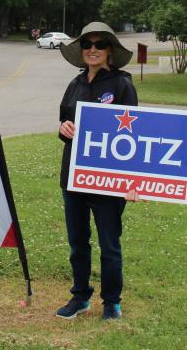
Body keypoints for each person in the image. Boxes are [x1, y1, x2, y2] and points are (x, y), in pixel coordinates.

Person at [54, 22, 138, 321]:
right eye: (87, 44)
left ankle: (111, 302)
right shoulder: (74, 84)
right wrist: (64, 129)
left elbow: (135, 136)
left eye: (99, 44)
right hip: (74, 177)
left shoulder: (121, 84)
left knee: (109, 245)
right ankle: (80, 297)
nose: (92, 49)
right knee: (78, 243)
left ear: (109, 51)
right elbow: (64, 125)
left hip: (107, 181)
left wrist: (131, 181)